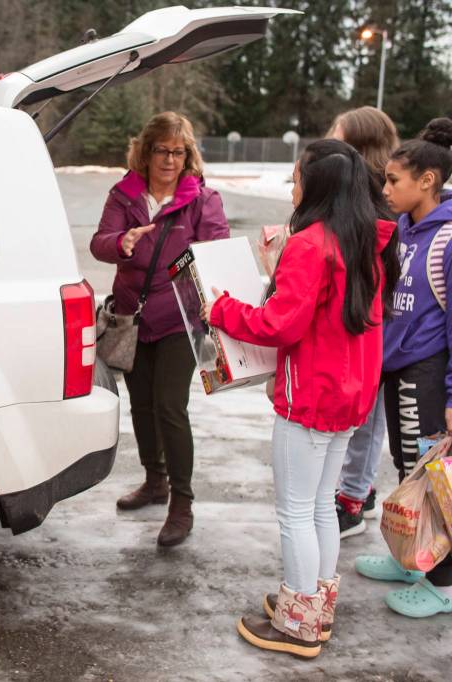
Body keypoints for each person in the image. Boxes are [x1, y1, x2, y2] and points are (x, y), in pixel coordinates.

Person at [203, 139, 397, 658]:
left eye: (296, 179)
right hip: (348, 396)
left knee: (295, 511)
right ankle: (314, 602)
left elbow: (279, 324)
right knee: (319, 508)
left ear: (317, 187)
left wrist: (222, 309)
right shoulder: (364, 241)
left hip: (311, 397)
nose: (291, 189)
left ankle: (298, 624)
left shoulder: (312, 245)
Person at [90, 111, 229, 547]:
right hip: (132, 317)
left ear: (188, 156)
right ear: (145, 153)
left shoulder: (202, 200)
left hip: (179, 321)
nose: (170, 159)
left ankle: (181, 504)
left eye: (178, 151)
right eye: (161, 150)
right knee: (142, 406)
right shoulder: (124, 195)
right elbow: (100, 242)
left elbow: (218, 251)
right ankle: (155, 481)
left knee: (170, 406)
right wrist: (121, 243)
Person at [354, 117, 452, 618]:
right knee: (408, 468)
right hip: (397, 370)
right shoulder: (404, 231)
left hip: (429, 373)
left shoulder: (447, 236)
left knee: (435, 476)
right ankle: (414, 558)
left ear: (427, 181)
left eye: (394, 181)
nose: (385, 188)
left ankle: (443, 583)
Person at [326, 107, 401, 538]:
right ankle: (358, 490)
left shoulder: (381, 197)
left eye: (339, 136)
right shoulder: (355, 190)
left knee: (367, 416)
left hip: (376, 319)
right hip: (362, 316)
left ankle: (353, 498)